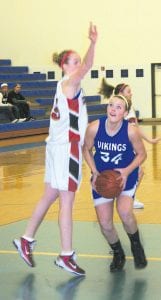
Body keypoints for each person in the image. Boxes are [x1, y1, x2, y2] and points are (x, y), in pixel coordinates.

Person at [13, 23, 98, 276]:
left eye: (78, 61)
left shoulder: (65, 85)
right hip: (66, 150)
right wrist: (93, 43)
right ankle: (66, 255)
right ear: (65, 65)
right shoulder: (70, 83)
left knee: (49, 196)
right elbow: (87, 67)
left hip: (55, 148)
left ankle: (26, 239)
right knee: (67, 202)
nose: (79, 64)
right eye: (74, 61)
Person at [83, 94, 148, 272]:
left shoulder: (131, 131)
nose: (113, 109)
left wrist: (127, 171)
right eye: (111, 105)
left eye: (119, 107)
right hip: (103, 179)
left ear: (125, 113)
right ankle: (118, 253)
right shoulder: (94, 128)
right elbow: (86, 149)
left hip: (126, 176)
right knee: (105, 223)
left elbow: (142, 154)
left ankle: (136, 245)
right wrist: (94, 171)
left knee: (125, 212)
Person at [98, 78, 161, 209]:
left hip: (129, 147)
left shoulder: (129, 107)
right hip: (122, 147)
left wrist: (150, 140)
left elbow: (136, 129)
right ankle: (125, 197)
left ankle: (125, 196)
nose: (131, 93)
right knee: (135, 173)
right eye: (129, 91)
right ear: (121, 92)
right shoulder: (119, 109)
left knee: (138, 173)